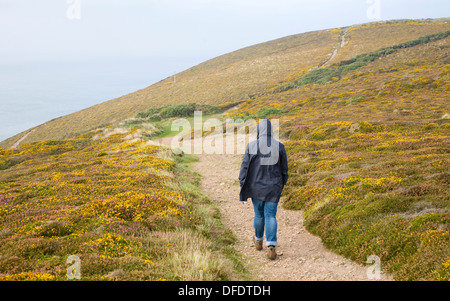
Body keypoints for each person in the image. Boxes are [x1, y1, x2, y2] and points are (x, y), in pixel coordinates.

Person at [238, 119, 288, 260]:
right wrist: (282, 184)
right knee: (270, 215)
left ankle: (258, 241)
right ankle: (271, 246)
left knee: (259, 215)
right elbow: (284, 170)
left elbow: (244, 168)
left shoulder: (251, 146)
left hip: (256, 187)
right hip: (273, 187)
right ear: (271, 130)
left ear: (259, 130)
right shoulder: (279, 146)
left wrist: (243, 183)